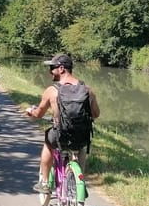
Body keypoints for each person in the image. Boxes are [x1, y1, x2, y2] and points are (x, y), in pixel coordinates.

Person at [24, 53, 100, 193]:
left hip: (60, 136)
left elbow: (38, 114)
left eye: (52, 68)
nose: (50, 72)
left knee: (48, 141)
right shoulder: (87, 90)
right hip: (82, 136)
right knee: (81, 146)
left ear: (61, 69)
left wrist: (30, 111)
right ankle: (79, 182)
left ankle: (45, 183)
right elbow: (96, 114)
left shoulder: (52, 91)